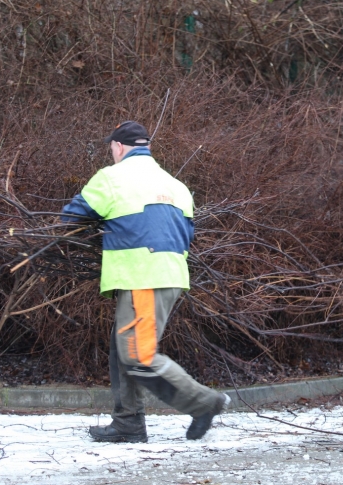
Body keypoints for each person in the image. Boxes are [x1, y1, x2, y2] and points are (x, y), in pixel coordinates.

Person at [61, 121, 230, 443]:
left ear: (119, 147)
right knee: (121, 348)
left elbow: (72, 217)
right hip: (170, 273)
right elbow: (186, 233)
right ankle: (128, 423)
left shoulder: (111, 177)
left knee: (138, 355)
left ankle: (205, 402)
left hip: (142, 275)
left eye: (112, 149)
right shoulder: (176, 185)